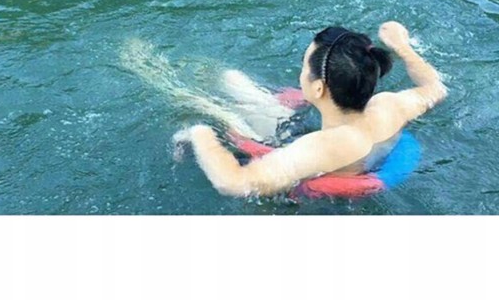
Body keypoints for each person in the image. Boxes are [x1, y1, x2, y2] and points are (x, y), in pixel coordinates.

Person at [173, 21, 447, 197]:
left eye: (305, 67)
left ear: (318, 89)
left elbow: (233, 183)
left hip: (309, 166)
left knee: (215, 99)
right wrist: (402, 47)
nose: (302, 72)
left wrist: (201, 134)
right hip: (352, 153)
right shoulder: (390, 105)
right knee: (231, 80)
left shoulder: (321, 147)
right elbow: (436, 87)